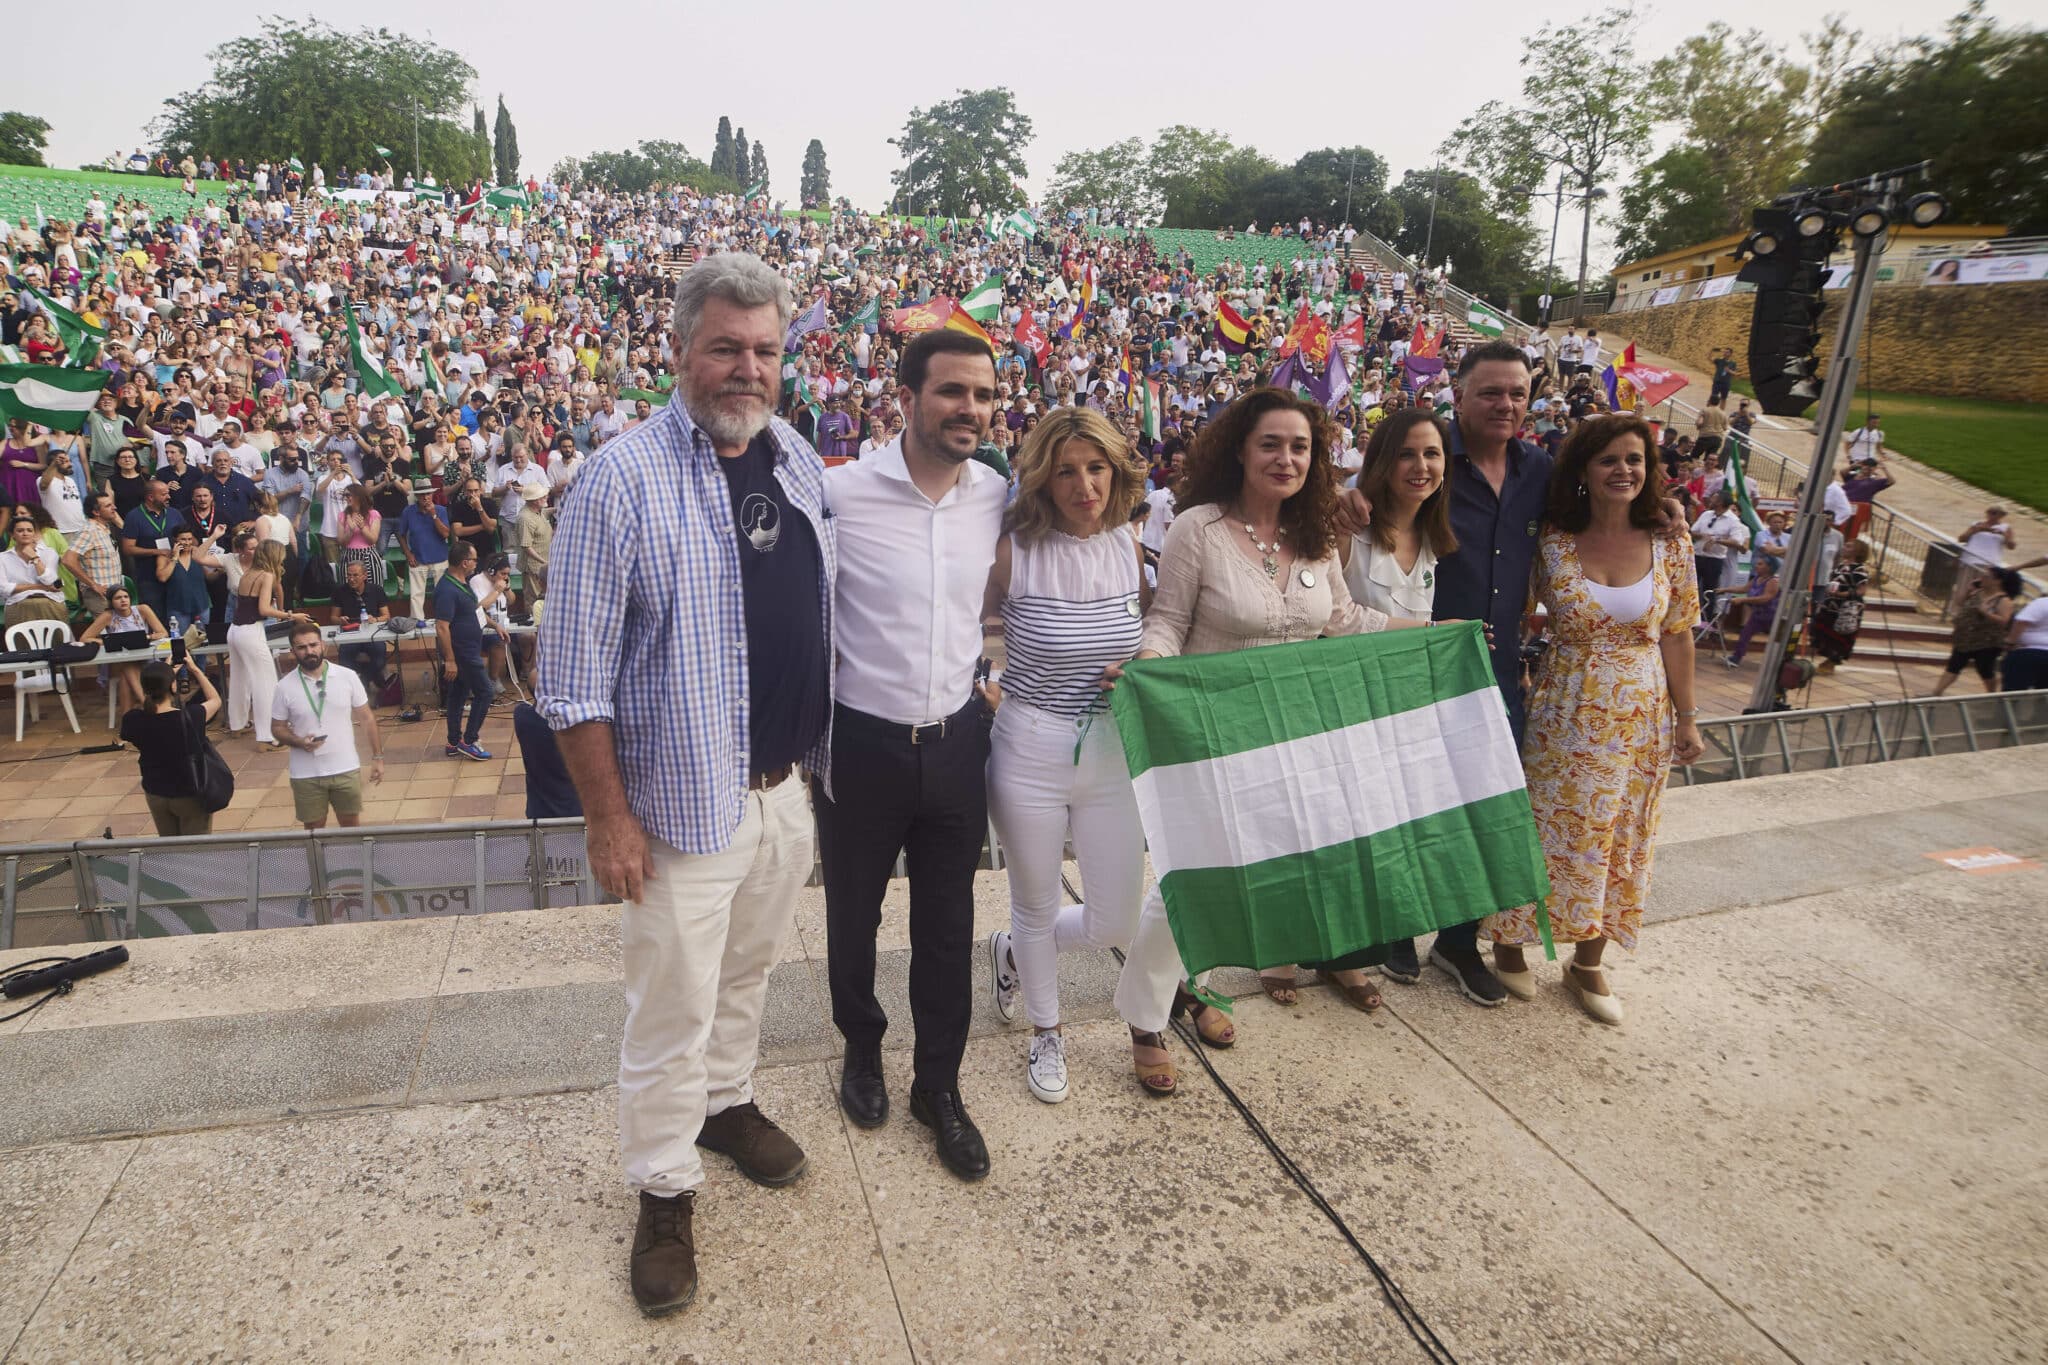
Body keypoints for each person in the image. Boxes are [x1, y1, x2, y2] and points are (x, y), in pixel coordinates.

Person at [537, 254, 832, 1319]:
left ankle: (726, 1102)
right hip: (676, 810)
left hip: (781, 791)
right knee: (668, 1007)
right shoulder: (617, 480)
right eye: (724, 348)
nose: (745, 369)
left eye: (763, 350)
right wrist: (608, 819)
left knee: (747, 974)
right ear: (677, 353)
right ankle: (662, 1185)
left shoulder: (794, 455)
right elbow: (568, 680)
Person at [1112, 387, 1424, 1081]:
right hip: (1207, 734)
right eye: (1271, 444)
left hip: (1290, 740)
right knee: (1187, 882)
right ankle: (1145, 1017)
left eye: (1300, 447)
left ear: (1315, 460)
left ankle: (1188, 985)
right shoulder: (1197, 529)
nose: (1286, 458)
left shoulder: (1316, 537)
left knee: (1247, 879)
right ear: (1241, 451)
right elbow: (1165, 622)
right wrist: (1148, 668)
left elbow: (1344, 624)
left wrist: (1435, 633)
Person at [815, 328, 1004, 1182]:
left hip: (960, 741)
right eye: (954, 392)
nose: (972, 409)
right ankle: (861, 1045)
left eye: (986, 395)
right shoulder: (839, 493)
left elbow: (1097, 514)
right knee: (853, 917)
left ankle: (939, 1085)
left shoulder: (997, 494)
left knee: (948, 925)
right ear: (907, 397)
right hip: (861, 745)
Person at [1488, 414, 1703, 1023]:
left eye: (1635, 460)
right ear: (1583, 469)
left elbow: (1680, 633)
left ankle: (1588, 959)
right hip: (1565, 707)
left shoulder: (1670, 541)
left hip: (1642, 714)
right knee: (1544, 826)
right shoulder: (1552, 539)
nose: (1623, 471)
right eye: (1608, 460)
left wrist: (1688, 719)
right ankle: (1509, 941)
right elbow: (1515, 608)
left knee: (1620, 835)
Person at [980, 409, 1152, 1103]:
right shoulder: (1014, 552)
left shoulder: (1128, 545)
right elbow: (960, 629)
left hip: (1112, 747)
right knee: (1036, 898)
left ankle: (1016, 953)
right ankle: (1046, 1030)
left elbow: (1142, 642)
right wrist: (985, 693)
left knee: (1115, 915)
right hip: (1030, 744)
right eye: (1066, 469)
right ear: (1042, 478)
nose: (1084, 484)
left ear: (1116, 470)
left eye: (1097, 467)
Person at [1330, 408, 1458, 1000]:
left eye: (1432, 455)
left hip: (1398, 707)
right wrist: (1431, 634)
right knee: (1331, 829)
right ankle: (1287, 956)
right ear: (1382, 460)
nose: (1421, 467)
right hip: (1339, 703)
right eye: (1408, 454)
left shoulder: (1432, 537)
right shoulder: (1348, 525)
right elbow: (1334, 619)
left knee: (1375, 831)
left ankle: (1346, 956)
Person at [269, 620, 383, 830]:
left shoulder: (347, 677)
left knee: (351, 828)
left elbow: (367, 718)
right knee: (314, 833)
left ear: (322, 645)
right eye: (301, 647)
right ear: (293, 651)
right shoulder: (284, 687)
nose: (309, 651)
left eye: (313, 645)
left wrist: (377, 757)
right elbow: (276, 728)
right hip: (306, 774)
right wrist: (299, 741)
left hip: (345, 767)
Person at [120, 659, 223, 836]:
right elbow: (215, 700)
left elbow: (149, 704)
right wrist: (195, 670)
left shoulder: (133, 720)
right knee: (196, 852)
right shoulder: (190, 717)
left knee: (169, 847)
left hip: (156, 793)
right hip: (188, 793)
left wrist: (162, 676)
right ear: (173, 687)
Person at [227, 541, 306, 748]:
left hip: (234, 630)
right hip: (251, 631)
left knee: (239, 679)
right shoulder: (266, 575)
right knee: (265, 684)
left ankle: (237, 725)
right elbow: (263, 609)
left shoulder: (248, 573)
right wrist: (291, 615)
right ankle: (268, 736)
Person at [433, 539, 493, 760]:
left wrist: (494, 625)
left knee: (458, 694)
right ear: (464, 562)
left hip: (468, 649)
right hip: (462, 653)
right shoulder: (447, 590)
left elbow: (473, 610)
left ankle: (453, 741)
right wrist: (450, 659)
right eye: (474, 559)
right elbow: (442, 627)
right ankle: (469, 740)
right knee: (485, 692)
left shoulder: (462, 582)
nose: (476, 563)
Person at [80, 585, 168, 710]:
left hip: (144, 658)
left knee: (125, 678)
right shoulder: (108, 616)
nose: (123, 600)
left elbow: (163, 632)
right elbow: (84, 638)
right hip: (119, 660)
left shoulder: (143, 609)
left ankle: (131, 718)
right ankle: (148, 705)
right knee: (127, 665)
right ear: (111, 601)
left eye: (126, 597)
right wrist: (109, 641)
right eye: (118, 598)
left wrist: (147, 637)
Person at [1932, 567, 2018, 696]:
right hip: (1965, 639)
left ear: (1997, 581)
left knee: (1985, 670)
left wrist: (1985, 613)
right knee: (1953, 666)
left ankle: (1992, 694)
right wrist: (1968, 589)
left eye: (1986, 577)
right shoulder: (1977, 593)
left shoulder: (2003, 600)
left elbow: (2004, 621)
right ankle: (1937, 692)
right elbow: (1959, 602)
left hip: (1986, 643)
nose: (1982, 579)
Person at [62, 491, 126, 619]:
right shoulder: (89, 531)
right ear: (96, 512)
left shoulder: (105, 528)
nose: (114, 508)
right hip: (99, 595)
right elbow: (68, 560)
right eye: (108, 506)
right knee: (108, 634)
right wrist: (93, 584)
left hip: (113, 592)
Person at [1810, 540, 1871, 672]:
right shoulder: (1839, 566)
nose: (1844, 548)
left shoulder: (1859, 569)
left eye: (1849, 546)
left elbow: (1861, 590)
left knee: (1839, 636)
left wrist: (1843, 594)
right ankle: (1825, 657)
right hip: (1830, 605)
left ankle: (1831, 662)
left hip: (1844, 608)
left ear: (1858, 551)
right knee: (1822, 630)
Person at [334, 558, 394, 691]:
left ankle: (364, 679)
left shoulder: (376, 590)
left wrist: (376, 619)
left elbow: (386, 616)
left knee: (379, 659)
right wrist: (340, 620)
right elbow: (333, 617)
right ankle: (371, 678)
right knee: (344, 662)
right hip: (350, 634)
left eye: (355, 575)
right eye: (348, 575)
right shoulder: (340, 591)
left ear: (364, 576)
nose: (351, 579)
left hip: (372, 634)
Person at [1, 513, 66, 629]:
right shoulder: (3, 558)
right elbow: (4, 588)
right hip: (18, 603)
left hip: (49, 600)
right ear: (12, 535)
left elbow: (49, 581)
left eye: (29, 530)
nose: (25, 533)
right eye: (20, 530)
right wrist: (39, 587)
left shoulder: (49, 553)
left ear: (34, 534)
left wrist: (35, 558)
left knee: (57, 642)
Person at [400, 478, 451, 617]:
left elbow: (445, 534)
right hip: (418, 558)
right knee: (416, 594)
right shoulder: (408, 511)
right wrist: (408, 554)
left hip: (440, 558)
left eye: (428, 493)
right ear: (416, 496)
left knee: (443, 593)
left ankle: (444, 618)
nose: (425, 497)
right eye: (422, 494)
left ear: (432, 494)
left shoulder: (441, 510)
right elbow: (401, 535)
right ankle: (417, 622)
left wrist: (433, 514)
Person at [1723, 553, 1782, 667]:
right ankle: (1736, 658)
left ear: (1769, 567)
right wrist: (1725, 589)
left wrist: (1743, 600)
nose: (1756, 566)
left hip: (1773, 617)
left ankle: (1778, 663)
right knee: (1745, 634)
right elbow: (1743, 589)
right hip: (1758, 615)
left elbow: (1766, 598)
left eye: (1760, 564)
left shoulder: (1773, 581)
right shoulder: (1757, 578)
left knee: (1778, 641)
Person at [1689, 491, 1748, 602]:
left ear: (1720, 502)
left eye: (1714, 498)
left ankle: (1706, 616)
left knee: (1709, 591)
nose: (1710, 500)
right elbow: (1693, 531)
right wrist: (1702, 535)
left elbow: (1737, 541)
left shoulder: (1733, 520)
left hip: (1714, 560)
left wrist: (1717, 540)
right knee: (1690, 588)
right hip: (1697, 556)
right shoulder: (1706, 514)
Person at [156, 526, 215, 636]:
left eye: (189, 539)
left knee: (202, 643)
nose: (187, 543)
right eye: (183, 539)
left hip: (201, 605)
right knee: (182, 645)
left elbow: (209, 577)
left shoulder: (197, 554)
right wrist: (175, 558)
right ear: (175, 540)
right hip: (178, 608)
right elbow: (162, 577)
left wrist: (220, 572)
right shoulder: (165, 557)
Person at [2002, 587, 2048, 692]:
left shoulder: (2042, 602)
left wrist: (2010, 642)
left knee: (2012, 693)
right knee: (2043, 697)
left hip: (2028, 653)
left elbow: (2022, 621)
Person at [1841, 455, 1893, 541]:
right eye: (1866, 465)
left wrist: (1884, 469)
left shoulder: (1874, 483)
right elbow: (1842, 472)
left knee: (1850, 533)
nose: (1867, 468)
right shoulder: (1853, 476)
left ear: (1874, 469)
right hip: (1843, 506)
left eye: (1871, 467)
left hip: (1855, 511)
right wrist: (1853, 466)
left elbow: (1891, 481)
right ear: (1862, 465)